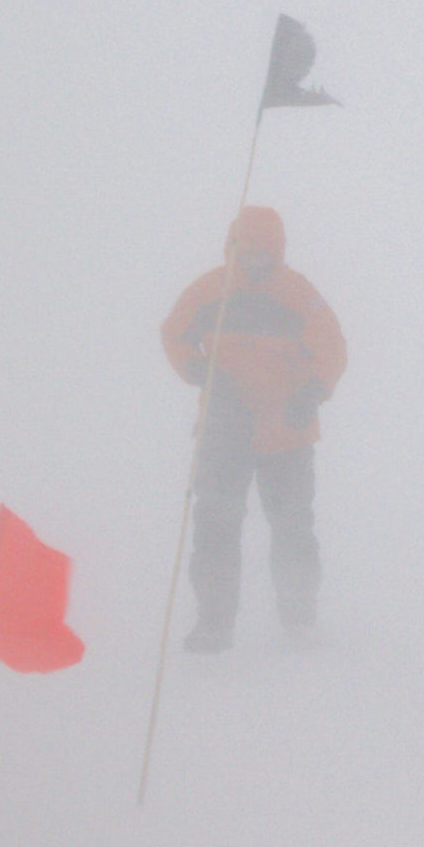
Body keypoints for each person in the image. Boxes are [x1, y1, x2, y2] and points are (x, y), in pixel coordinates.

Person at [162, 206, 347, 653]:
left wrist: (313, 392)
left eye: (265, 253)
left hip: (288, 432)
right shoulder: (209, 291)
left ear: (279, 252)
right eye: (248, 252)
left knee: (292, 528)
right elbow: (174, 335)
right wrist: (200, 371)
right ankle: (214, 624)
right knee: (216, 525)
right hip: (224, 431)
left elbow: (334, 347)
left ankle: (299, 618)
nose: (255, 261)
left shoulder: (300, 295)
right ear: (233, 248)